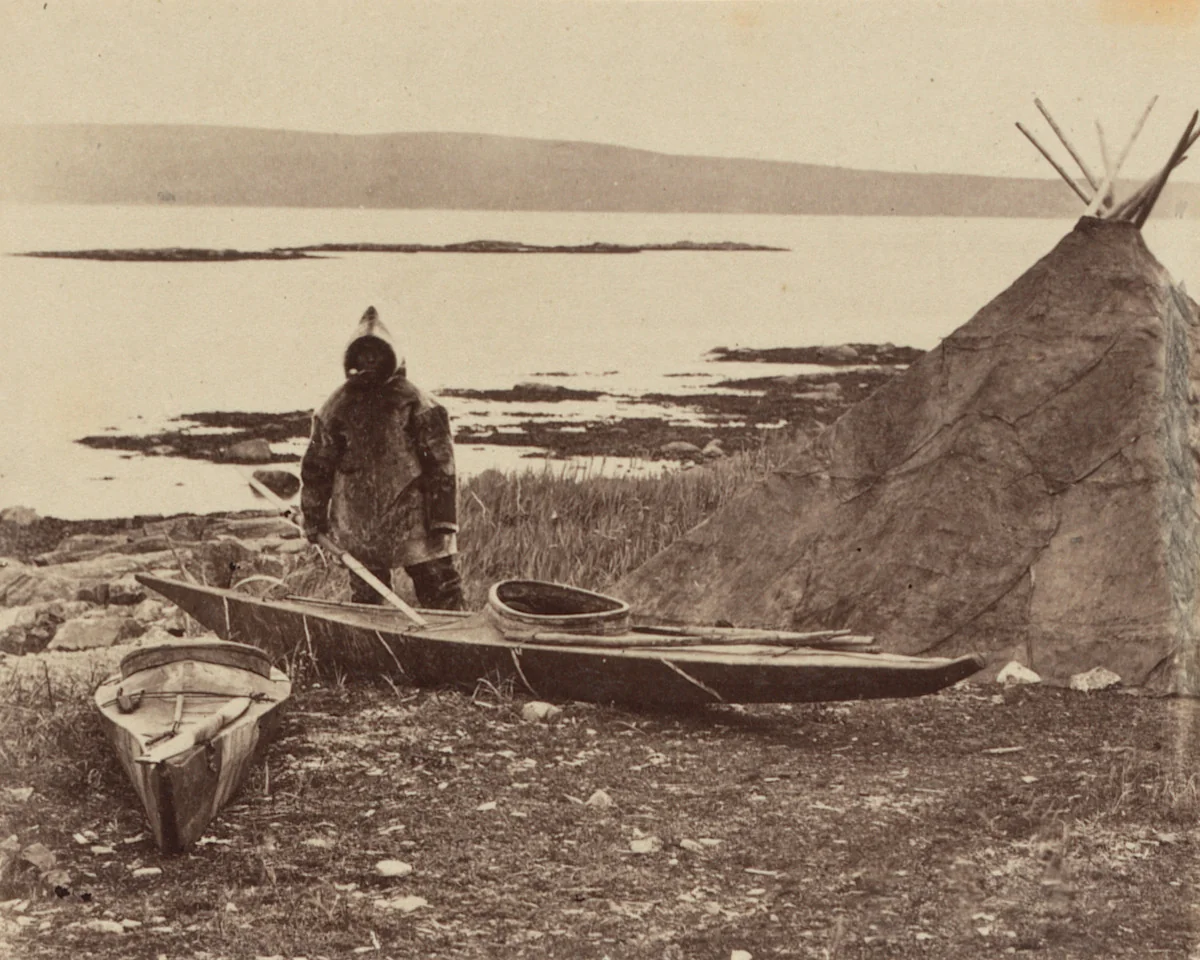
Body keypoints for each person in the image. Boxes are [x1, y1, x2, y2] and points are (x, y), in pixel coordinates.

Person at [300, 306, 465, 610]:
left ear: (391, 355)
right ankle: (372, 639)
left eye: (376, 354)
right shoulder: (336, 406)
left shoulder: (417, 402)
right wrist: (313, 516)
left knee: (442, 593)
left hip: (414, 519)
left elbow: (441, 465)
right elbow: (317, 467)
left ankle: (458, 638)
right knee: (368, 603)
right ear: (352, 359)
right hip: (358, 523)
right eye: (363, 355)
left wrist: (443, 522)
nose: (370, 361)